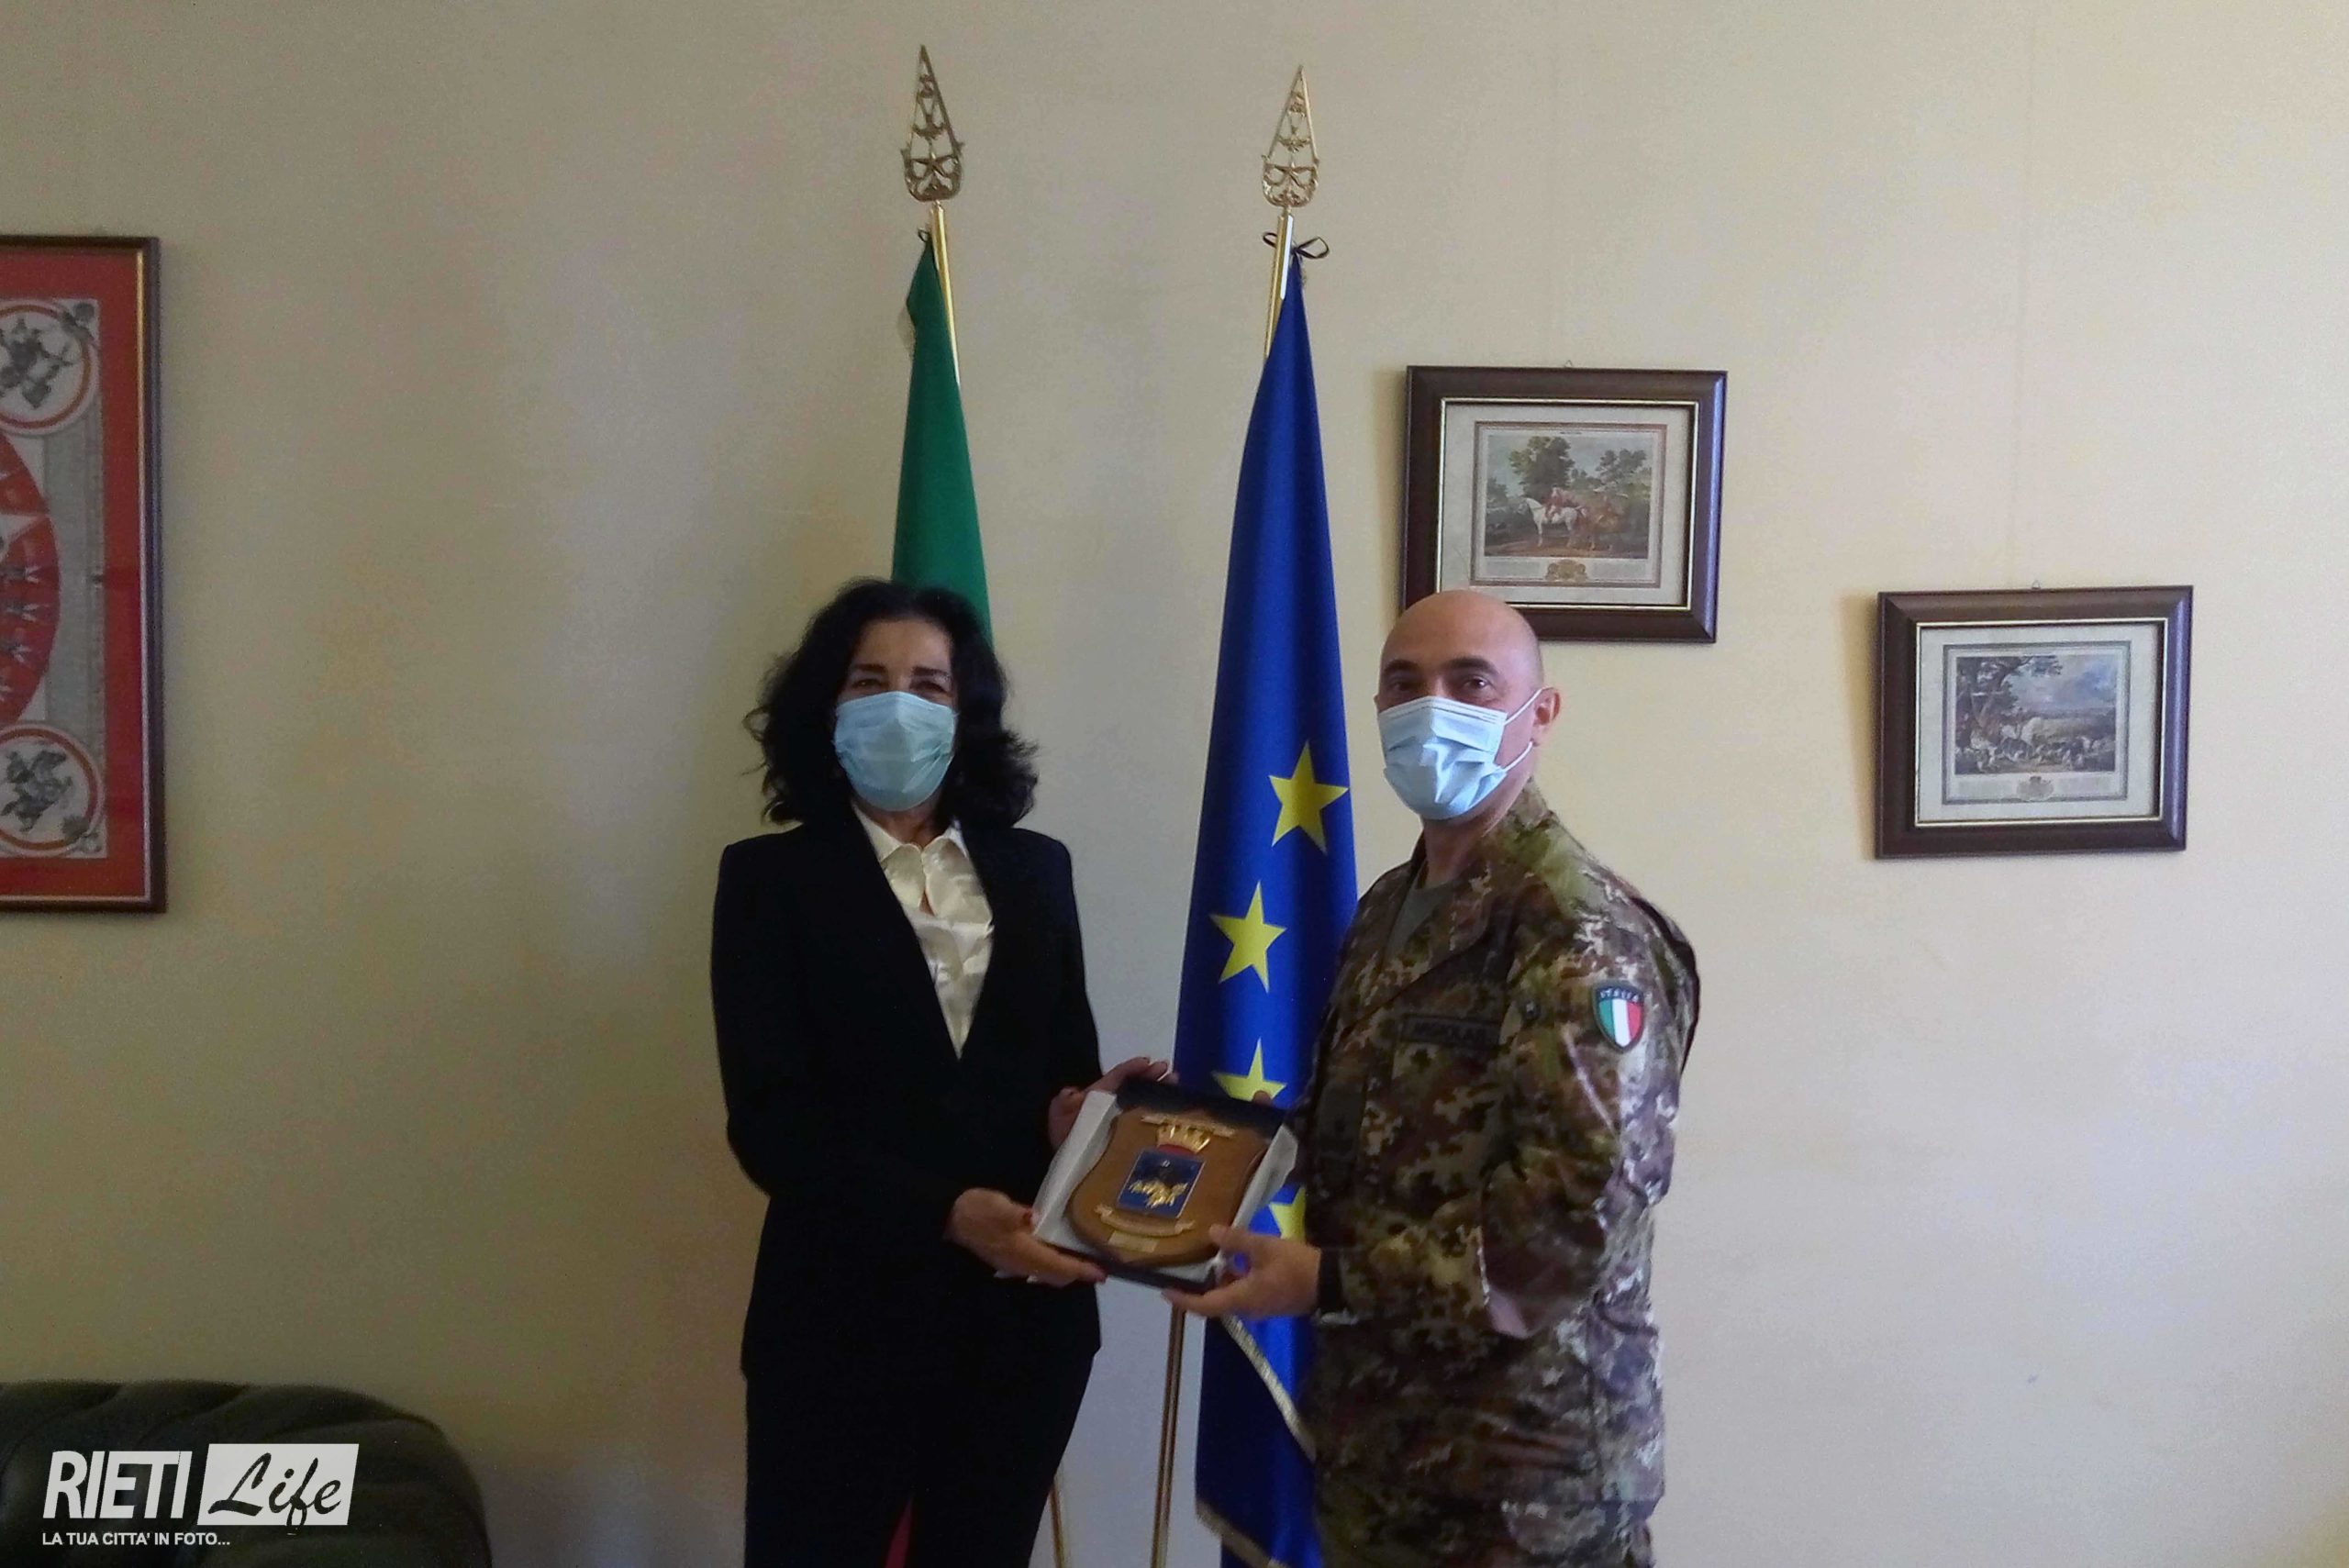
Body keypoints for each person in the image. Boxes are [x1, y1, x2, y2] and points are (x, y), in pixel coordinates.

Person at [1171, 590, 1700, 1568]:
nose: (1433, 708)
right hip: (1384, 1453)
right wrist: (1152, 1129)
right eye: (1406, 684)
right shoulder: (1391, 906)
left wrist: (1329, 1277)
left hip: (1520, 1477)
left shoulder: (1576, 929)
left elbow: (1576, 1219)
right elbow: (1350, 1130)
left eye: (1471, 682)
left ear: (1539, 712)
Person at [712, 578, 1159, 1568]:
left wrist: (1078, 1118)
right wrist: (947, 1211)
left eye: (928, 683)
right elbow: (772, 1123)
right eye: (868, 680)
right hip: (838, 1324)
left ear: (966, 711)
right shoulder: (767, 881)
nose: (898, 703)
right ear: (827, 706)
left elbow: (1059, 1071)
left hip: (1020, 1326)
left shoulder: (1038, 868)